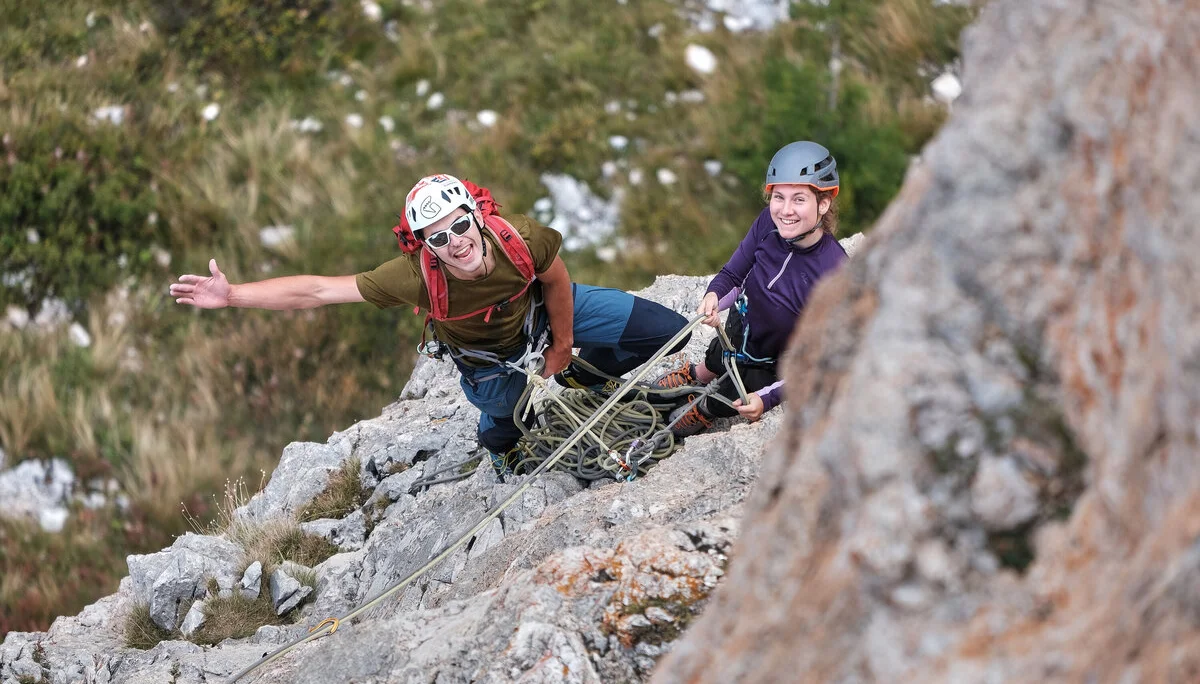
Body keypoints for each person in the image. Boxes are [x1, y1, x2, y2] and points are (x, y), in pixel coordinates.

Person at [170, 174, 689, 476]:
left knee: (668, 331)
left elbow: (555, 280)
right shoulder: (417, 277)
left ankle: (587, 376)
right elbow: (319, 290)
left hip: (542, 319)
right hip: (487, 359)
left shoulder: (522, 238)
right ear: (423, 244)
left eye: (461, 225)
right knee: (509, 418)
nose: (456, 242)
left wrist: (564, 345)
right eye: (438, 237)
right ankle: (499, 444)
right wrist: (233, 295)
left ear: (477, 217)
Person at [652, 141, 848, 437]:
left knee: (729, 395)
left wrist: (767, 398)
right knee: (718, 355)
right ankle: (697, 375)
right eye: (778, 197)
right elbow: (733, 273)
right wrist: (714, 297)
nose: (784, 210)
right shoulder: (767, 223)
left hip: (771, 363)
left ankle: (704, 409)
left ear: (823, 204)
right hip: (740, 328)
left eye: (799, 200)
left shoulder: (834, 273)